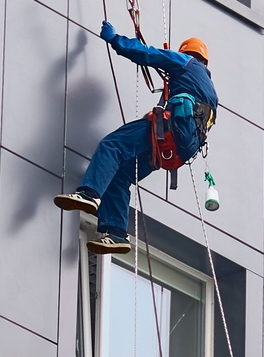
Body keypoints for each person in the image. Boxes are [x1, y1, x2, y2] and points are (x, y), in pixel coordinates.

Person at [55, 21, 218, 254]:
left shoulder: (185, 62)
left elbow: (146, 53)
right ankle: (116, 233)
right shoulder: (211, 92)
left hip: (167, 129)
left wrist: (114, 39)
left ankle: (89, 193)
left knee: (113, 146)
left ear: (186, 53)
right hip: (179, 149)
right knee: (122, 175)